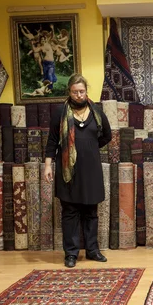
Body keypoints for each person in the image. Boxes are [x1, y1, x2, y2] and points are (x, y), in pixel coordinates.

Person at [44, 74, 112, 267]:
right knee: (70, 212)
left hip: (91, 169)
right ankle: (71, 254)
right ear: (69, 92)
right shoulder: (60, 112)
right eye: (75, 92)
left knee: (91, 211)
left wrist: (89, 147)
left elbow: (107, 135)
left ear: (86, 91)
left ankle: (92, 250)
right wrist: (48, 165)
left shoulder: (96, 111)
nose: (79, 95)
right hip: (68, 170)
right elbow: (52, 141)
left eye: (81, 91)